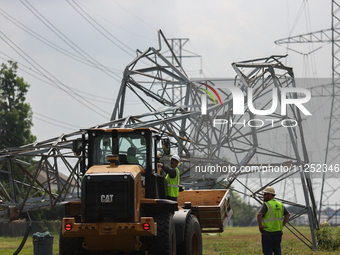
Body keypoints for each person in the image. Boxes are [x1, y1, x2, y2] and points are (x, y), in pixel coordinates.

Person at [257, 186, 290, 255]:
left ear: (270, 195)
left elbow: (259, 215)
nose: (263, 196)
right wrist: (282, 225)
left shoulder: (266, 204)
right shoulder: (280, 204)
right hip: (278, 233)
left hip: (268, 233)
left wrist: (260, 226)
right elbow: (287, 215)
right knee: (277, 251)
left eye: (265, 194)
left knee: (267, 252)